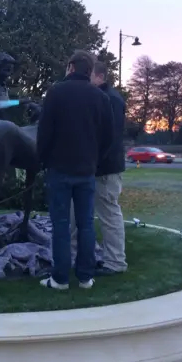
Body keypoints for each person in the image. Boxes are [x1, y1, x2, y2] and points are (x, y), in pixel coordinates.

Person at [36, 51, 115, 290]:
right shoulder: (100, 97)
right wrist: (94, 160)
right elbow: (109, 138)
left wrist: (43, 160)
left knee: (60, 225)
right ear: (90, 70)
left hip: (59, 169)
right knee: (86, 225)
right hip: (86, 170)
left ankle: (60, 278)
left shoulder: (56, 92)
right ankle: (85, 277)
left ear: (70, 67)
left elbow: (44, 133)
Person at [69, 61, 128, 275]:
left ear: (100, 77)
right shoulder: (102, 98)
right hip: (92, 168)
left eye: (89, 75)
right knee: (76, 215)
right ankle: (75, 257)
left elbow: (108, 138)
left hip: (104, 170)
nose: (86, 79)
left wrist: (92, 163)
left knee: (109, 215)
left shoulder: (110, 99)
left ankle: (115, 262)